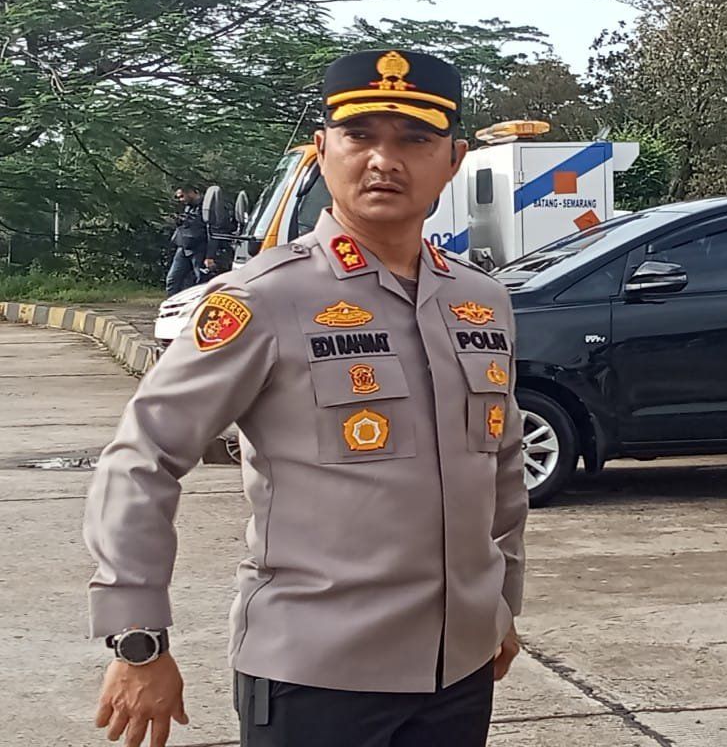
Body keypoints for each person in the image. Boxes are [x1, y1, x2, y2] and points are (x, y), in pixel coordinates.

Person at [84, 49, 527, 747]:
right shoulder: (263, 299)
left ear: (453, 160)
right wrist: (138, 638)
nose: (385, 160)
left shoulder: (482, 301)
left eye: (414, 140)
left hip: (459, 672)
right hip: (316, 675)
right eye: (361, 137)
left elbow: (500, 468)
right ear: (322, 153)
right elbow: (143, 456)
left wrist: (499, 607)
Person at [165, 185, 216, 295]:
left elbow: (212, 231)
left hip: (199, 248)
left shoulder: (206, 207)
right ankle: (172, 307)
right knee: (172, 280)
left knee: (201, 281)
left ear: (191, 193)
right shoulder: (188, 207)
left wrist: (209, 256)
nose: (180, 200)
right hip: (184, 247)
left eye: (182, 196)